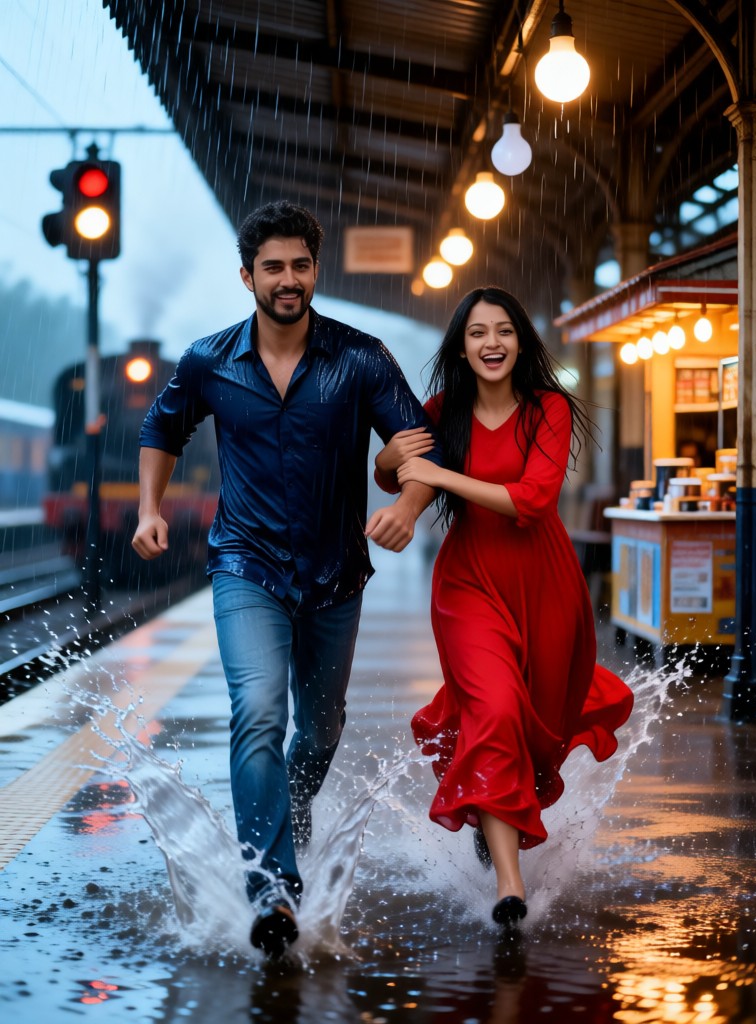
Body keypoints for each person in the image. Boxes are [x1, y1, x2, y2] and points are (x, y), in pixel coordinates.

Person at [132, 201, 438, 959]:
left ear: (314, 270)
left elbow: (416, 442)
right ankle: (272, 888)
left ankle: (286, 815)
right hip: (245, 566)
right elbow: (161, 429)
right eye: (273, 267)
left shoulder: (361, 358)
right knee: (259, 710)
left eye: (301, 264)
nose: (289, 279)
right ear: (248, 277)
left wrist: (407, 499)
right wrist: (148, 508)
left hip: (337, 574)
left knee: (322, 727)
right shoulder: (210, 360)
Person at [375, 286, 634, 934]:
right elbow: (392, 472)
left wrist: (438, 477)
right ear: (461, 348)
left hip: (546, 588)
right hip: (467, 586)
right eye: (477, 333)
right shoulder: (440, 411)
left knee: (532, 729)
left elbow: (534, 499)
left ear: (521, 343)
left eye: (504, 332)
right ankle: (510, 890)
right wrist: (392, 460)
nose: (491, 343)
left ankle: (494, 825)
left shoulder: (548, 409)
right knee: (494, 710)